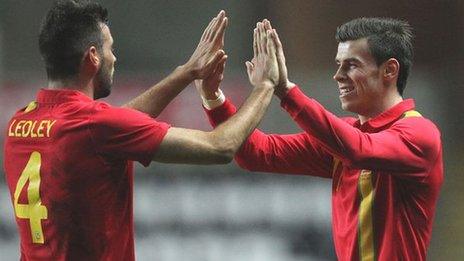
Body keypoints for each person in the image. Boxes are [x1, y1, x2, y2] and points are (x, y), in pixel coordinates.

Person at [3, 1, 280, 260]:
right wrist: (266, 85)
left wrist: (187, 72)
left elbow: (114, 125)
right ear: (93, 58)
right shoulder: (94, 126)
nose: (114, 57)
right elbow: (221, 146)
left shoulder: (20, 123)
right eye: (110, 48)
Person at [197, 18, 443, 260]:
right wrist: (213, 98)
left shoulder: (419, 134)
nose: (338, 75)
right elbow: (255, 153)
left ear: (389, 70)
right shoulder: (344, 139)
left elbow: (359, 151)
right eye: (338, 64)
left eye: (352, 65)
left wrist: (285, 90)